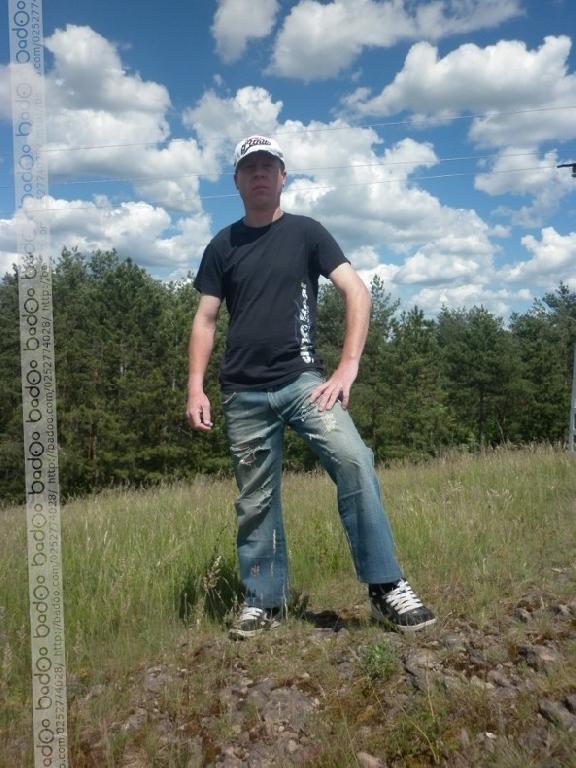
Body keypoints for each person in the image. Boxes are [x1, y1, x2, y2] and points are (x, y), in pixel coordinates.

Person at [186, 134, 436, 639]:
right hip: (243, 394)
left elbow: (356, 290)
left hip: (304, 382)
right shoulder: (222, 245)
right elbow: (205, 319)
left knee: (354, 459)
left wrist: (347, 368)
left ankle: (386, 586)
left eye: (268, 166)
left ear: (283, 176)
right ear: (236, 181)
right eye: (249, 167)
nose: (259, 174)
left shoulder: (307, 233)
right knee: (255, 499)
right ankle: (264, 602)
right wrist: (196, 387)